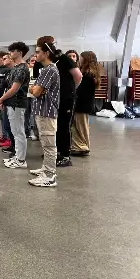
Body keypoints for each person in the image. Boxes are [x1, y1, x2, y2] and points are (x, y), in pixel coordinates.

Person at [38, 37, 82, 167]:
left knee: (64, 127)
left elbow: (78, 76)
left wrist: (70, 90)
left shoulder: (65, 59)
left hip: (67, 98)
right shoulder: (47, 62)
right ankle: (55, 152)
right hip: (53, 99)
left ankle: (65, 155)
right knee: (54, 126)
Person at [28, 41, 60, 187]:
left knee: (49, 145)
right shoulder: (46, 70)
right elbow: (35, 90)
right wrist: (35, 89)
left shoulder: (49, 70)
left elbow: (36, 92)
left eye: (38, 52)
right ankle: (46, 169)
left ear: (46, 53)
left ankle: (49, 175)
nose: (36, 55)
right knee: (45, 143)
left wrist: (35, 89)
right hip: (42, 111)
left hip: (46, 112)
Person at [0, 42, 30, 169]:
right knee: (15, 131)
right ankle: (18, 156)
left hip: (17, 103)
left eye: (13, 51)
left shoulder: (22, 68)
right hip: (12, 103)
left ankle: (21, 159)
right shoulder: (16, 68)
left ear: (20, 52)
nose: (10, 53)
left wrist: (1, 99)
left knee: (19, 132)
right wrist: (5, 101)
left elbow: (14, 89)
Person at [71, 51, 100, 156]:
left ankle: (84, 147)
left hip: (82, 105)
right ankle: (80, 146)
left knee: (81, 127)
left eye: (81, 58)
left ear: (86, 59)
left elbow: (81, 91)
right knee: (80, 126)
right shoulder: (89, 73)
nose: (80, 59)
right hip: (83, 104)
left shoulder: (88, 75)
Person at [25, 55, 39, 141]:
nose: (34, 63)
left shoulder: (40, 71)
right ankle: (28, 132)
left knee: (34, 115)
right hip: (26, 96)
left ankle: (35, 132)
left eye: (35, 61)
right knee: (26, 114)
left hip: (35, 96)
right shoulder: (26, 71)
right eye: (32, 61)